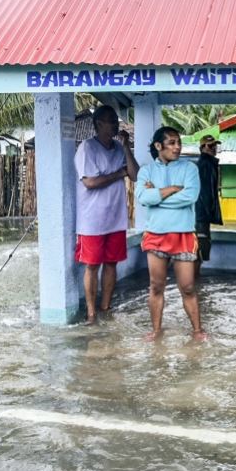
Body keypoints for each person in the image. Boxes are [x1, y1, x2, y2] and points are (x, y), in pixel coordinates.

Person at [135, 127, 205, 341]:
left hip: (183, 234)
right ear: (159, 146)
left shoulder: (190, 168)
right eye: (172, 143)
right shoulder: (146, 171)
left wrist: (157, 197)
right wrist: (172, 189)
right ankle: (156, 331)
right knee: (156, 286)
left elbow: (190, 197)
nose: (177, 147)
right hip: (156, 234)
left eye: (178, 143)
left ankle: (197, 331)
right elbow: (142, 198)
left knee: (188, 286)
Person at [74, 105, 139, 325]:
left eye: (116, 121)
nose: (115, 125)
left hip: (115, 219)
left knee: (111, 263)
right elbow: (90, 182)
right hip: (91, 221)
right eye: (111, 121)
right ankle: (92, 313)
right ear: (99, 124)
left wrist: (127, 147)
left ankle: (106, 307)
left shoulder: (119, 150)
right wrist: (118, 174)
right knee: (92, 266)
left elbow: (135, 174)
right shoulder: (87, 148)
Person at [194, 134, 223, 274]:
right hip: (200, 215)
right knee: (198, 251)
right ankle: (194, 286)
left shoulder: (209, 163)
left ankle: (196, 287)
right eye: (210, 146)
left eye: (215, 146)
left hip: (202, 215)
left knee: (199, 251)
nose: (213, 149)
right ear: (202, 148)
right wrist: (206, 214)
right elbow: (203, 193)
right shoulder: (205, 164)